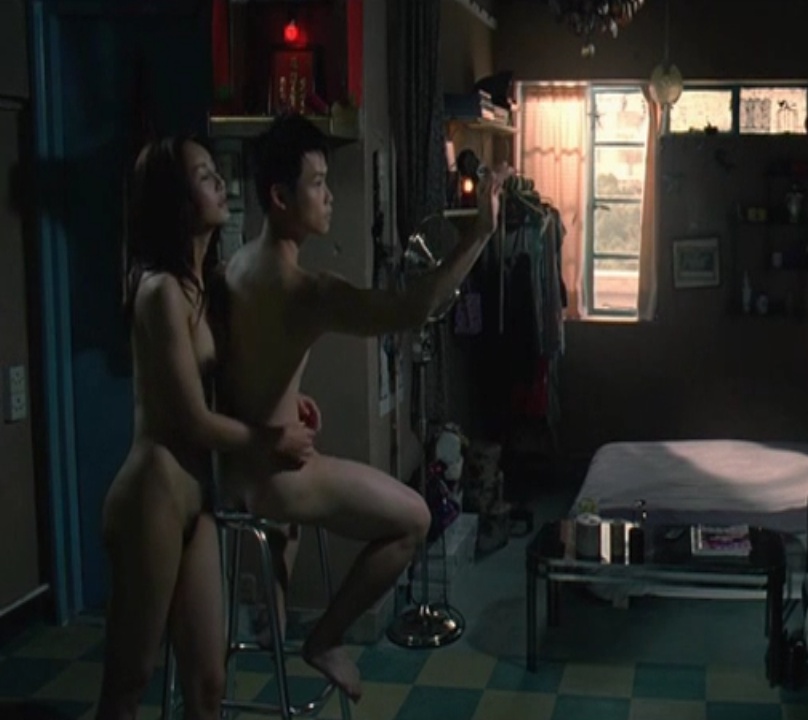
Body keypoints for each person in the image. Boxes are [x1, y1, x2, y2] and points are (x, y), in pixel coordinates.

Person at [216, 113, 511, 701]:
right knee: (415, 519)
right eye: (317, 183)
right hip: (277, 478)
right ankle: (324, 638)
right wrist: (479, 234)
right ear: (280, 197)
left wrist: (286, 398)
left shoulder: (238, 265)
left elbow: (239, 364)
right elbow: (412, 310)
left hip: (237, 469)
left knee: (314, 524)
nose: (329, 195)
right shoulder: (306, 290)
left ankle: (272, 620)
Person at [96, 136, 317, 720]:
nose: (220, 182)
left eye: (217, 172)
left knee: (209, 680)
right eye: (203, 175)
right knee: (130, 678)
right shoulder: (159, 292)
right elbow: (191, 420)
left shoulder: (209, 285)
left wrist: (288, 402)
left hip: (197, 497)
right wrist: (273, 442)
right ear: (174, 199)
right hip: (153, 492)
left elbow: (232, 381)